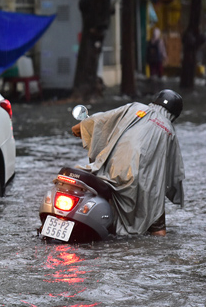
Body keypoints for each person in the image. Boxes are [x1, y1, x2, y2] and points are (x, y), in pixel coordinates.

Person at [71, 89, 184, 236]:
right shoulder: (170, 132)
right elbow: (173, 173)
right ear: (174, 114)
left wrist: (81, 127)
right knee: (158, 225)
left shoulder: (136, 108)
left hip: (110, 173)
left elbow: (103, 120)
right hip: (143, 188)